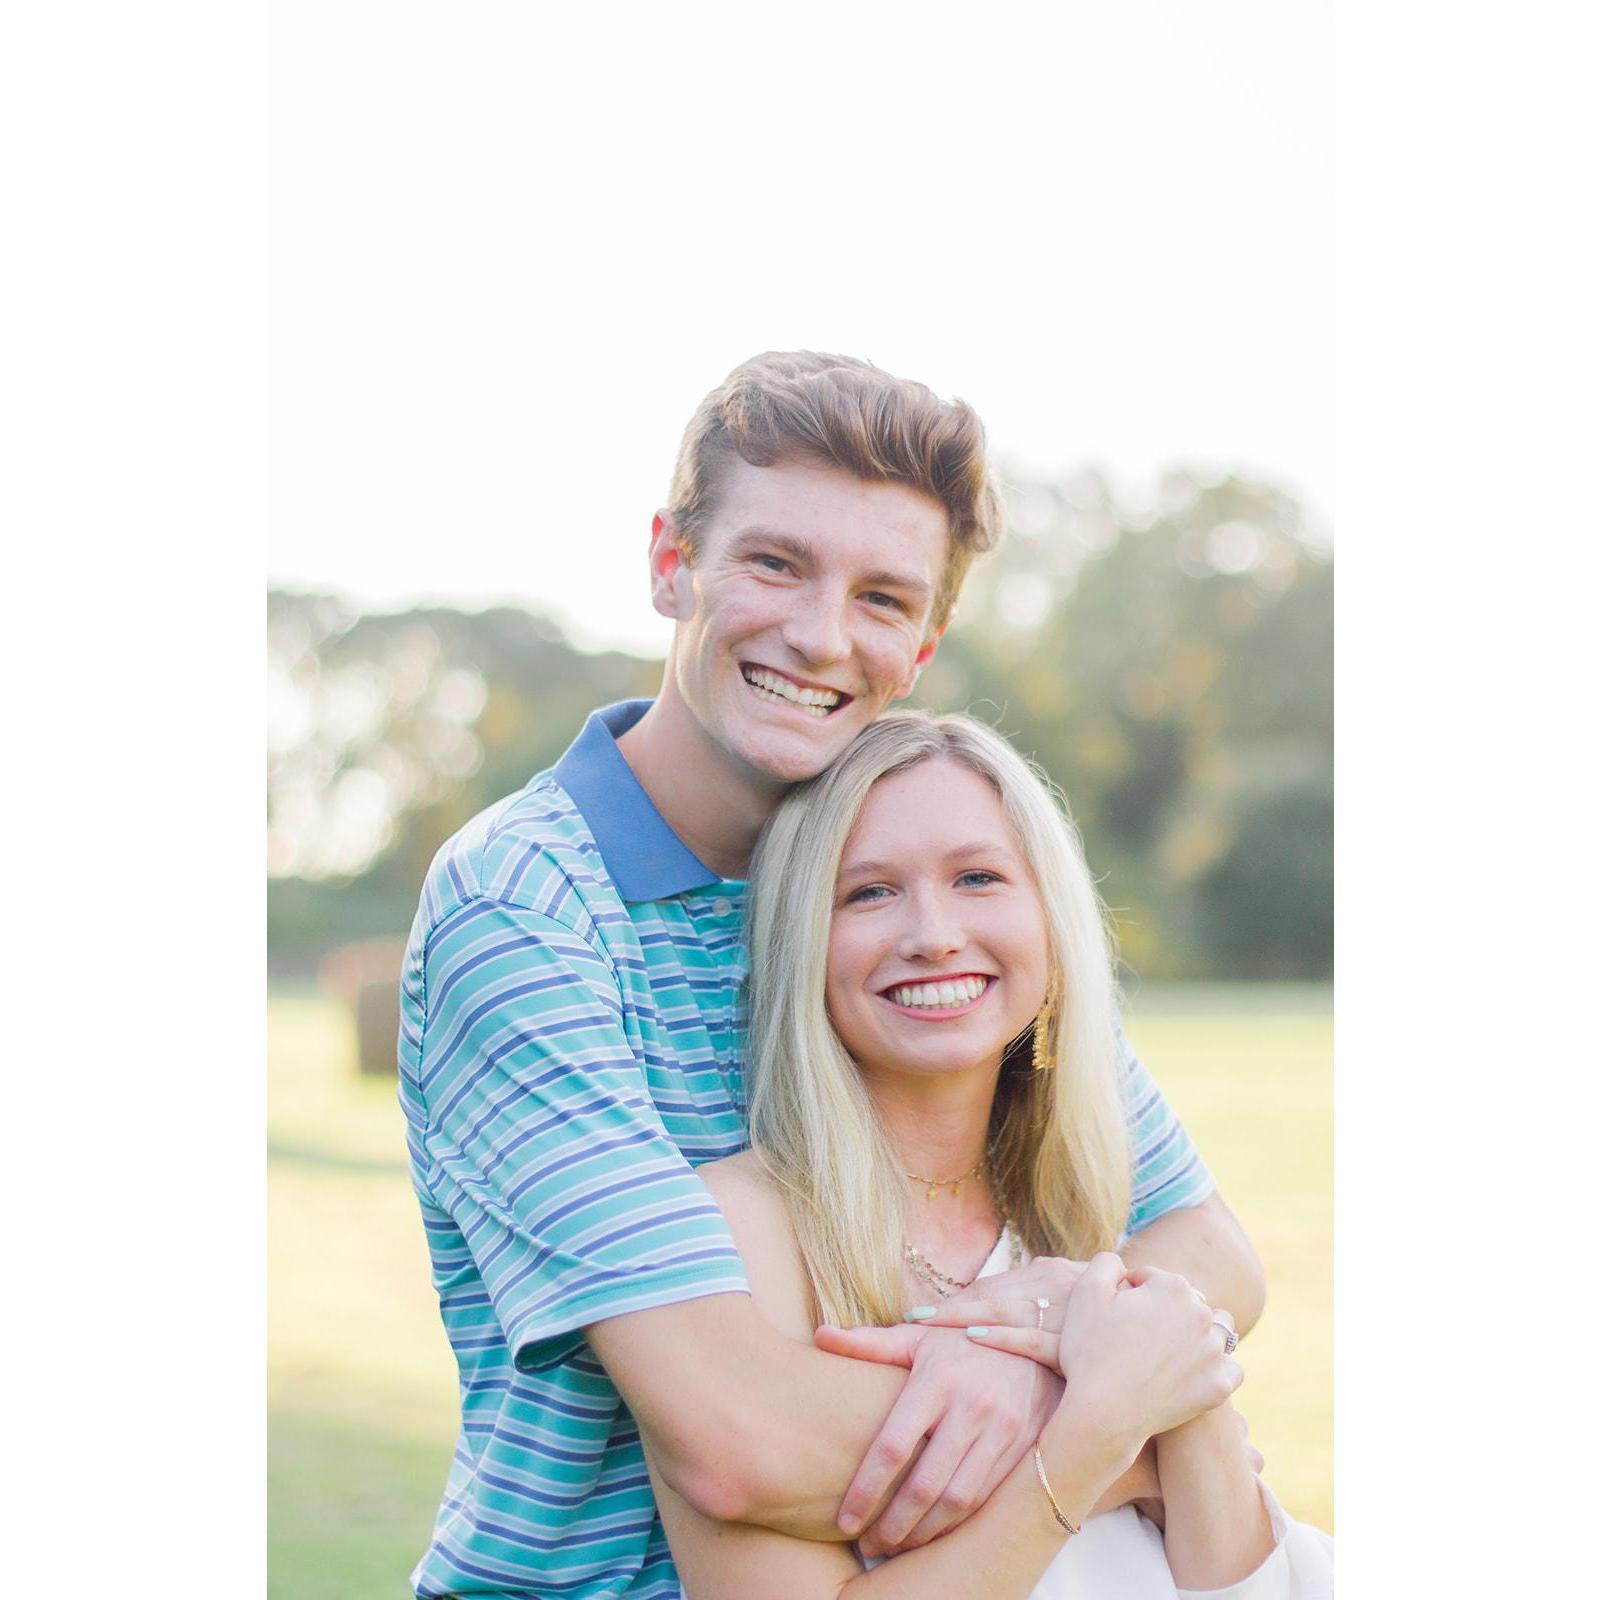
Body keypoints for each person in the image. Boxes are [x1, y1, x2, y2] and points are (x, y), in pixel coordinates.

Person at [398, 351, 1266, 1599]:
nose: (819, 635)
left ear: (922, 644)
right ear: (670, 563)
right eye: (774, 563)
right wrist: (1122, 1428)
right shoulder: (525, 910)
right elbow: (737, 1439)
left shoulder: (913, 899)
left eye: (881, 597)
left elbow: (1209, 1249)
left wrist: (1035, 1327)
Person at [650, 711, 1333, 1598]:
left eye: (978, 877)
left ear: (1049, 917)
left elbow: (1249, 1580)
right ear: (803, 939)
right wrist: (1101, 1444)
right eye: (869, 892)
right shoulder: (740, 1228)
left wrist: (1094, 1325)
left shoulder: (1091, 1201)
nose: (933, 933)